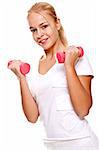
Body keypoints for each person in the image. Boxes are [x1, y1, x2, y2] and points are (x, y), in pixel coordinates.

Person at [8, 2, 99, 150]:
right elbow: (32, 117)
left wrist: (68, 65)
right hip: (52, 145)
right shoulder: (34, 67)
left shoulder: (76, 57)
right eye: (33, 30)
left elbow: (83, 110)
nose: (39, 35)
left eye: (44, 26)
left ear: (57, 23)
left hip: (81, 143)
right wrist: (21, 77)